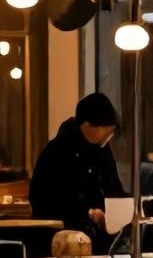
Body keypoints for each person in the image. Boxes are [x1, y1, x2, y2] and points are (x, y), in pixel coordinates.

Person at [31, 92, 126, 243]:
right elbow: (44, 199)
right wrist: (89, 213)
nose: (110, 135)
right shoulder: (57, 151)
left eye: (111, 131)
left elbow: (113, 187)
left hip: (102, 235)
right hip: (62, 237)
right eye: (106, 130)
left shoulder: (102, 150)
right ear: (87, 125)